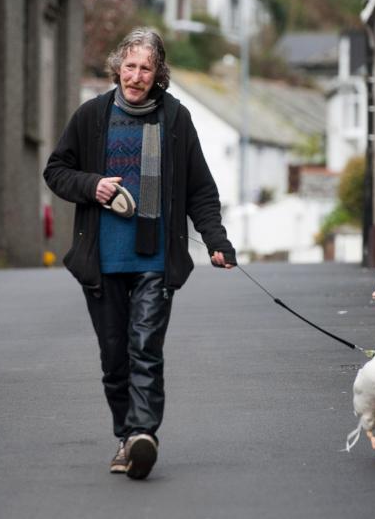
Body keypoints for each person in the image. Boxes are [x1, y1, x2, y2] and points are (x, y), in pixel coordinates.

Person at [43, 27, 236, 480]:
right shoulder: (92, 116)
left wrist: (216, 241)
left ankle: (142, 435)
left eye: (145, 67)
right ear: (117, 68)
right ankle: (124, 435)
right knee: (115, 357)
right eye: (129, 66)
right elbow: (56, 171)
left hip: (154, 259)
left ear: (158, 73)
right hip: (103, 260)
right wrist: (92, 185)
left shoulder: (175, 119)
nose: (135, 75)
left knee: (145, 348)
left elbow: (200, 190)